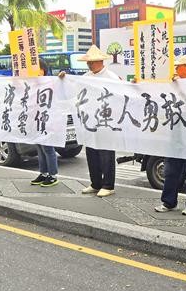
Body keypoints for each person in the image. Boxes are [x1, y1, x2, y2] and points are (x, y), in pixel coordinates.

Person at [58, 44, 120, 197]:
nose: (89, 64)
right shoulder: (86, 77)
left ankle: (108, 185)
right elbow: (72, 89)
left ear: (100, 61)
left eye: (92, 61)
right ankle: (95, 183)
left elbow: (120, 96)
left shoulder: (111, 77)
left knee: (106, 153)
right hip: (90, 121)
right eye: (88, 62)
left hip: (106, 121)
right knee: (91, 152)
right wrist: (64, 79)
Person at [153, 56, 186, 215]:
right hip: (175, 132)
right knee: (171, 170)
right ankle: (169, 202)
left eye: (179, 66)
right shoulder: (174, 84)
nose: (175, 69)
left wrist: (178, 87)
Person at [30, 58, 59, 187]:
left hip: (47, 120)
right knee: (40, 148)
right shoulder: (32, 83)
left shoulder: (50, 82)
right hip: (36, 119)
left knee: (48, 148)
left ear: (44, 70)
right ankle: (43, 173)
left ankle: (52, 175)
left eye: (38, 69)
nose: (36, 72)